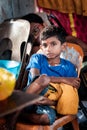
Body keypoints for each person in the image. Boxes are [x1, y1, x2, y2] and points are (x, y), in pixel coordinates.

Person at [25, 25, 80, 125]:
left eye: (53, 44)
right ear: (41, 47)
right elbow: (36, 79)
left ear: (63, 46)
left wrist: (50, 102)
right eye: (45, 45)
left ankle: (18, 113)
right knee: (42, 80)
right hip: (28, 97)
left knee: (45, 119)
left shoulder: (69, 68)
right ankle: (14, 115)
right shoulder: (37, 58)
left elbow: (69, 97)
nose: (48, 49)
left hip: (49, 104)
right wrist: (63, 80)